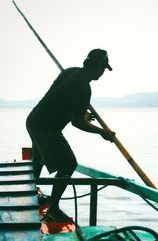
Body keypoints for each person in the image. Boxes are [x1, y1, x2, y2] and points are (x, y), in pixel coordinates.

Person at [26, 49, 115, 220]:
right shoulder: (83, 86)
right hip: (46, 128)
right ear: (97, 67)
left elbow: (59, 99)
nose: (103, 73)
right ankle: (53, 210)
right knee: (68, 164)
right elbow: (77, 122)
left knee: (39, 159)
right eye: (103, 68)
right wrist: (101, 132)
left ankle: (31, 197)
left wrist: (84, 115)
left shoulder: (70, 72)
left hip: (34, 120)